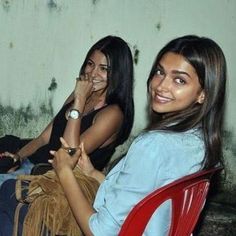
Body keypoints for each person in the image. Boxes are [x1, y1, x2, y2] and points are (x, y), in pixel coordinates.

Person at [0, 35, 226, 235]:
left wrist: (65, 171)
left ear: (203, 94)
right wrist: (92, 173)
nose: (161, 86)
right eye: (159, 72)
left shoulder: (146, 140)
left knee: (7, 189)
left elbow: (100, 231)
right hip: (44, 165)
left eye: (179, 80)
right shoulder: (198, 141)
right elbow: (138, 189)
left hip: (54, 175)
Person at [0, 35, 134, 184]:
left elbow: (69, 153)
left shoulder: (113, 113)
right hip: (32, 164)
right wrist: (17, 157)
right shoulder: (80, 94)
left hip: (51, 180)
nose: (93, 73)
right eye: (90, 64)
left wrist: (80, 100)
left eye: (104, 69)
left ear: (118, 74)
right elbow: (44, 138)